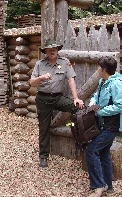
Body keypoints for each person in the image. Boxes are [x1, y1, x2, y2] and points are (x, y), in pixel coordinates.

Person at [29, 39, 85, 168]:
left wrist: (76, 98)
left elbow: (71, 80)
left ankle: (83, 140)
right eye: (49, 49)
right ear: (46, 52)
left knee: (79, 108)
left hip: (58, 98)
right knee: (44, 128)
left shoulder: (65, 63)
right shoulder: (39, 64)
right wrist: (41, 77)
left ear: (57, 50)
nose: (52, 51)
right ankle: (43, 156)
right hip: (43, 99)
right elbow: (32, 83)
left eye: (54, 49)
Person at [86, 56, 122, 197]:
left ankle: (99, 186)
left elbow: (119, 106)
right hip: (102, 124)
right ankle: (108, 185)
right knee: (103, 153)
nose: (97, 69)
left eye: (98, 67)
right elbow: (96, 96)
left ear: (104, 69)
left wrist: (100, 111)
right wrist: (92, 103)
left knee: (92, 150)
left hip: (112, 125)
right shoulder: (102, 81)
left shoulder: (117, 84)